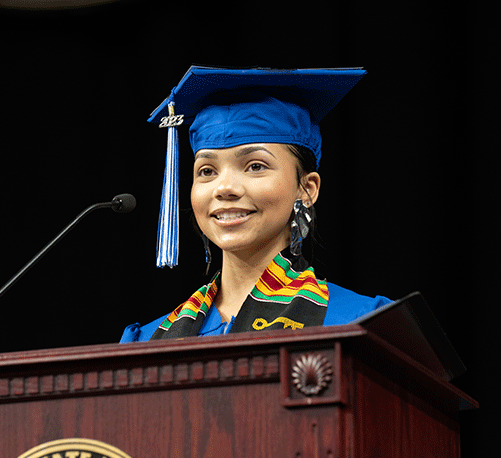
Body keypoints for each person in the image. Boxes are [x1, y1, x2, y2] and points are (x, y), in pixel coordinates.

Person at [120, 66, 392, 343]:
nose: (224, 188)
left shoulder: (362, 323)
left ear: (307, 189)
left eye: (255, 166)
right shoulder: (147, 340)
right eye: (207, 171)